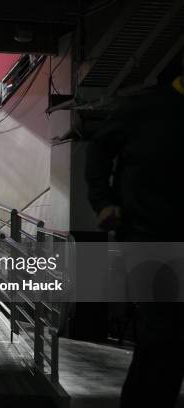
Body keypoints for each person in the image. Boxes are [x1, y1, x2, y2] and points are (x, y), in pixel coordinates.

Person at [85, 52, 184, 408]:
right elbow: (97, 148)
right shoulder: (144, 109)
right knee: (163, 335)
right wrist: (103, 201)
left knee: (168, 341)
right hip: (149, 236)